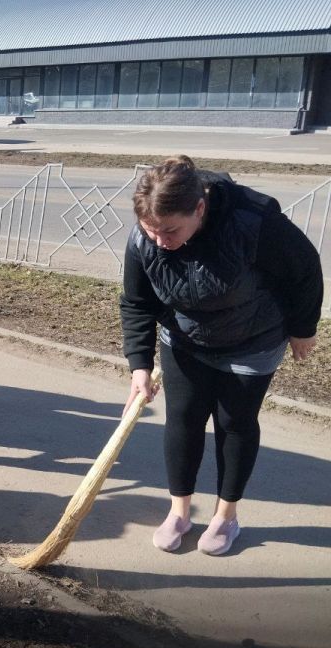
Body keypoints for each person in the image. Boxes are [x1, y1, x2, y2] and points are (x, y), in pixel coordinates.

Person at [120, 155, 323, 555]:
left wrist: (303, 329)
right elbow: (136, 301)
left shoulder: (253, 223)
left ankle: (225, 517)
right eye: (151, 230)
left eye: (171, 230)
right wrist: (139, 365)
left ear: (199, 208)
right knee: (183, 419)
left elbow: (305, 271)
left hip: (252, 341)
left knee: (234, 423)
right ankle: (180, 511)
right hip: (184, 339)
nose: (161, 241)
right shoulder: (145, 237)